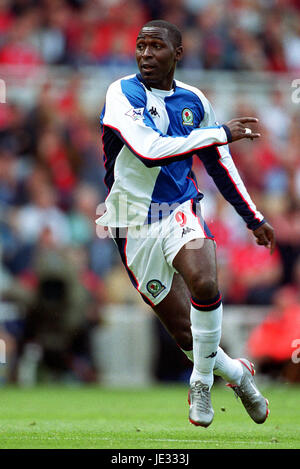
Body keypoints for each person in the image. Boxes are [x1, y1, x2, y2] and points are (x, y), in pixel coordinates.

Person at [96, 19, 275, 427]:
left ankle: (199, 380)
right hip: (131, 224)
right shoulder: (122, 93)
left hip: (179, 207)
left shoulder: (194, 100)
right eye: (140, 45)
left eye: (155, 46)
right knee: (185, 335)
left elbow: (220, 163)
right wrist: (216, 134)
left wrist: (253, 217)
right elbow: (147, 149)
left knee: (205, 281)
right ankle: (235, 375)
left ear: (177, 53)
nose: (144, 53)